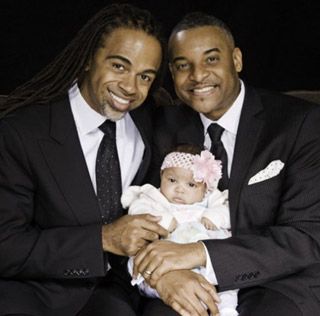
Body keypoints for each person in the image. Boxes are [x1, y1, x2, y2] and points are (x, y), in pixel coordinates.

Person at [133, 12, 320, 316]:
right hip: (184, 278)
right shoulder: (163, 126)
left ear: (236, 60)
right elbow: (144, 209)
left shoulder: (300, 123)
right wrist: (165, 276)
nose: (197, 76)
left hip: (279, 283)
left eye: (210, 60)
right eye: (183, 66)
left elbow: (306, 235)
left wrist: (199, 253)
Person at [0, 4, 168, 316]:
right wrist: (103, 239)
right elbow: (5, 245)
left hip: (115, 294)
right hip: (33, 293)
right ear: (90, 58)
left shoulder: (150, 124)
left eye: (144, 76)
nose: (130, 88)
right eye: (119, 66)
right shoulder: (20, 133)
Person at [123, 144, 239, 316]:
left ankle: (227, 309)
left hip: (204, 258)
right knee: (149, 271)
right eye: (172, 180)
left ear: (205, 189)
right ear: (161, 175)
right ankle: (183, 304)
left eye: (191, 185)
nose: (179, 189)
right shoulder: (154, 196)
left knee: (228, 276)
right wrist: (163, 219)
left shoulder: (210, 199)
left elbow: (229, 209)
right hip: (165, 260)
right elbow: (138, 208)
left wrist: (215, 216)